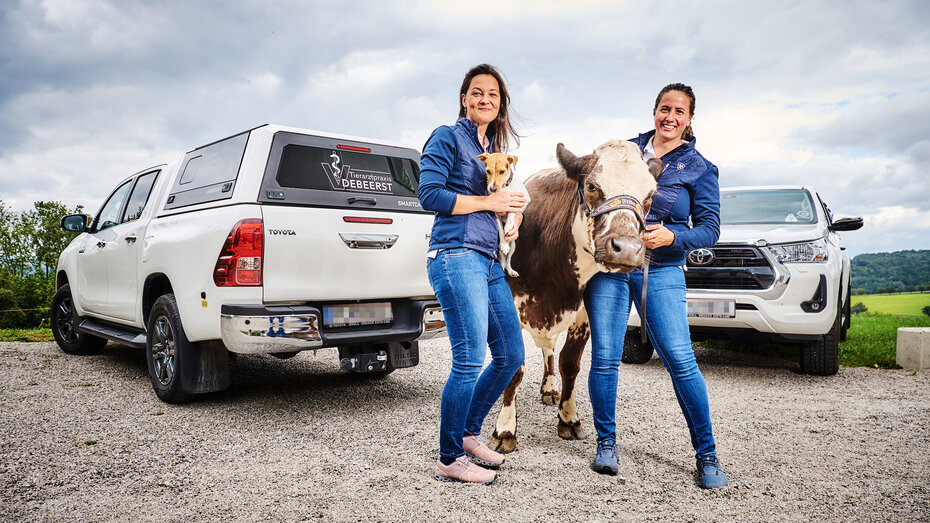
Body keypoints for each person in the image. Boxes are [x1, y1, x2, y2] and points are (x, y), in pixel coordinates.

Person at [583, 83, 728, 489]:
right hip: (611, 267)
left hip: (661, 270)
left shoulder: (700, 167)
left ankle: (707, 454)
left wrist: (673, 238)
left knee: (681, 361)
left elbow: (710, 229)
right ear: (654, 111)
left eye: (679, 112)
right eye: (665, 108)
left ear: (689, 119)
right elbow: (588, 193)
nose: (670, 117)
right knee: (606, 357)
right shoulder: (623, 151)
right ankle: (606, 443)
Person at [417, 64, 528, 485]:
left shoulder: (494, 148)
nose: (485, 100)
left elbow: (498, 203)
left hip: (489, 260)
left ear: (501, 105)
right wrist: (490, 202)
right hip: (454, 254)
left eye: (493, 95)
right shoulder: (447, 136)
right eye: (477, 92)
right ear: (465, 98)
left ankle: (467, 434)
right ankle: (449, 457)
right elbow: (429, 195)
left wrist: (510, 216)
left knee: (511, 355)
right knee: (467, 361)